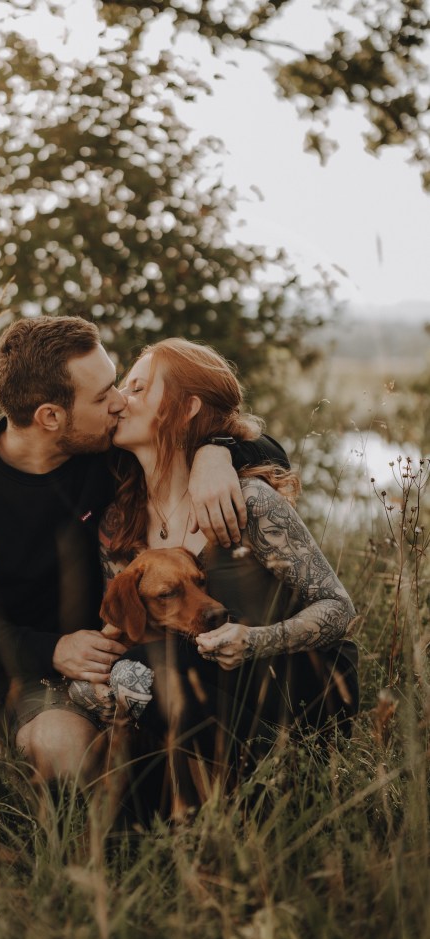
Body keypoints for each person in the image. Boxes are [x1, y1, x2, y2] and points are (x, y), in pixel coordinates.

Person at [0, 316, 289, 789]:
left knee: (68, 757)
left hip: (64, 684)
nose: (121, 402)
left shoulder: (109, 451)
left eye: (117, 385)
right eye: (104, 396)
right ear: (50, 417)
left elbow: (264, 450)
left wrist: (216, 453)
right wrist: (51, 648)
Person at [94, 337, 358, 807]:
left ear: (186, 407)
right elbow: (129, 627)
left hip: (292, 683)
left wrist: (256, 641)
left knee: (148, 674)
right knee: (136, 673)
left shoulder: (249, 502)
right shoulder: (120, 520)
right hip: (203, 688)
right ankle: (202, 815)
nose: (119, 400)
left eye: (137, 389)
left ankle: (274, 794)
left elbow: (339, 609)